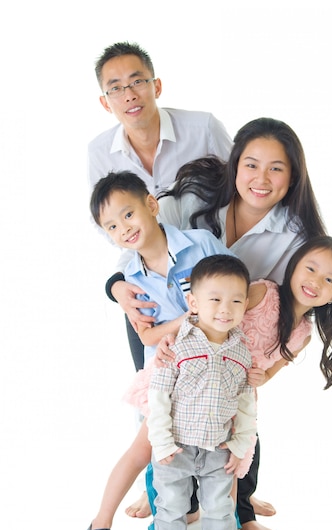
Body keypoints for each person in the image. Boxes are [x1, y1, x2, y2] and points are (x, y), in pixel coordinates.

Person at [83, 235, 332, 530]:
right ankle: (99, 525)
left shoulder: (302, 333)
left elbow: (268, 372)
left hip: (227, 396)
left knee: (229, 465)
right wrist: (167, 339)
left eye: (328, 279)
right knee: (145, 450)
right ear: (294, 265)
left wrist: (259, 379)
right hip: (187, 376)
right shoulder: (263, 293)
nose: (315, 281)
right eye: (310, 268)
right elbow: (206, 308)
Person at [153, 117, 328, 530]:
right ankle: (167, 496)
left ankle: (240, 508)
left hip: (238, 334)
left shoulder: (295, 236)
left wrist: (270, 369)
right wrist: (115, 286)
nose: (261, 179)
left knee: (238, 418)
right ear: (234, 166)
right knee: (158, 409)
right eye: (251, 164)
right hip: (170, 317)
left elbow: (301, 309)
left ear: (292, 178)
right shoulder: (197, 199)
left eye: (276, 168)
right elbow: (143, 237)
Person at [82, 171, 236, 530]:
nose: (123, 229)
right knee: (145, 450)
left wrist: (195, 320)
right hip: (167, 376)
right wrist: (190, 318)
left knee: (226, 449)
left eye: (128, 214)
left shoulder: (199, 245)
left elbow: (237, 293)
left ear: (151, 205)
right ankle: (100, 525)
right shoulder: (130, 279)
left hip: (214, 372)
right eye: (111, 226)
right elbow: (149, 338)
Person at [88, 40, 233, 372]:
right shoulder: (98, 153)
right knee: (153, 389)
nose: (129, 95)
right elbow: (106, 224)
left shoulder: (203, 129)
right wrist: (117, 285)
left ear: (156, 85)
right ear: (105, 102)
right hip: (149, 283)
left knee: (225, 385)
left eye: (137, 81)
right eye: (116, 88)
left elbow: (240, 191)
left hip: (209, 271)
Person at [144, 254, 257, 530]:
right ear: (193, 302)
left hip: (216, 450)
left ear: (246, 304)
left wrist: (239, 446)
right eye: (215, 299)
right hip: (176, 448)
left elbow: (247, 405)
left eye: (236, 300)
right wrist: (160, 442)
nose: (225, 308)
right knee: (171, 506)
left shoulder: (242, 352)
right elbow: (159, 396)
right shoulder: (175, 346)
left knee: (220, 509)